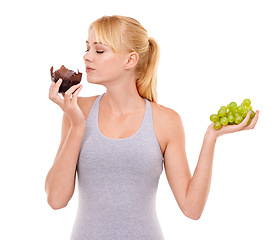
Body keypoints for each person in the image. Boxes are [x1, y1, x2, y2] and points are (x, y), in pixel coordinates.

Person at [45, 15, 259, 240]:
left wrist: (211, 137)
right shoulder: (77, 112)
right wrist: (78, 125)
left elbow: (192, 209)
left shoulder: (166, 121)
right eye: (87, 48)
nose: (86, 56)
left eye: (99, 51)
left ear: (130, 60)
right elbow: (56, 200)